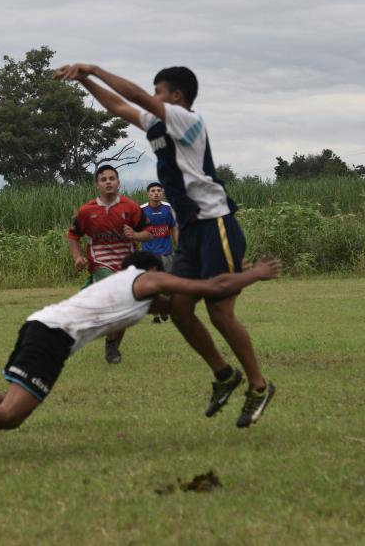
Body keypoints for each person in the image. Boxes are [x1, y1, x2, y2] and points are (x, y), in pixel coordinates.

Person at [0, 253, 281, 464]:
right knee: (12, 415)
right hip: (52, 337)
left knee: (8, 400)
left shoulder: (128, 284)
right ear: (154, 270)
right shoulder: (148, 279)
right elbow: (209, 287)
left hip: (43, 327)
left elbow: (179, 307)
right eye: (167, 276)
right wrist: (254, 274)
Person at [54, 63, 276, 427]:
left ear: (177, 97)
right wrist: (84, 81)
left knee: (220, 313)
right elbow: (119, 106)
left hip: (215, 223)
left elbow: (135, 97)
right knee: (179, 310)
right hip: (190, 230)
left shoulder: (188, 121)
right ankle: (224, 375)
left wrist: (93, 68)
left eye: (159, 92)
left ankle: (258, 385)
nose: (152, 97)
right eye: (154, 92)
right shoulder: (158, 126)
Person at [68, 164, 151, 364]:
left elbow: (148, 233)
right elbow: (73, 235)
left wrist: (136, 234)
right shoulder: (87, 211)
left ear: (118, 182)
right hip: (101, 264)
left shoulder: (130, 207)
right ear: (97, 184)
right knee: (115, 302)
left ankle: (112, 344)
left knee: (125, 307)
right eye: (103, 179)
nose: (108, 182)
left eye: (112, 178)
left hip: (128, 265)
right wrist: (78, 257)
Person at [140, 181, 178, 323]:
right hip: (149, 254)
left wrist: (179, 246)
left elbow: (173, 228)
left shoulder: (168, 209)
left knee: (167, 286)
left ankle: (164, 309)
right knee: (152, 285)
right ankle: (156, 315)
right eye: (153, 191)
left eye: (158, 190)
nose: (156, 193)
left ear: (161, 193)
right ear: (148, 193)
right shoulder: (141, 210)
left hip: (166, 253)